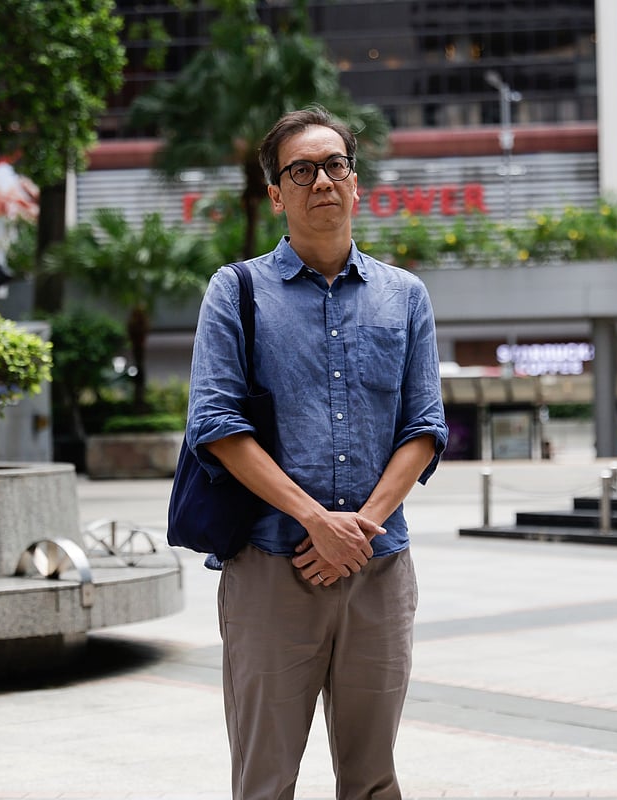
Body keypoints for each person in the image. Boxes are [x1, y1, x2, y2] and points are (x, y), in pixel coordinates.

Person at [185, 106, 448, 799]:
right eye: (300, 171)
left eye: (335, 165)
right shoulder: (236, 291)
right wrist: (316, 522)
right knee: (265, 780)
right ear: (277, 194)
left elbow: (424, 427)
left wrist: (355, 531)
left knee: (373, 779)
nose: (322, 181)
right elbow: (216, 424)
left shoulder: (405, 296)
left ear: (356, 183)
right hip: (271, 567)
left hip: (378, 569)